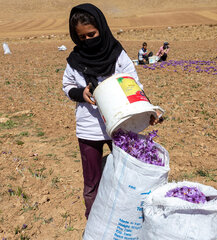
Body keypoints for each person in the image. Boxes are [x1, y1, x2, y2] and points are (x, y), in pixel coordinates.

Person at [62, 3, 161, 219]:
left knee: (128, 177)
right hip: (89, 130)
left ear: (101, 29)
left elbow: (134, 85)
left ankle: (124, 219)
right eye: (82, 38)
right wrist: (81, 94)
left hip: (120, 126)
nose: (88, 40)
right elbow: (67, 86)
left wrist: (149, 109)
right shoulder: (75, 61)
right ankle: (95, 224)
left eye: (92, 34)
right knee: (92, 183)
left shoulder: (117, 55)